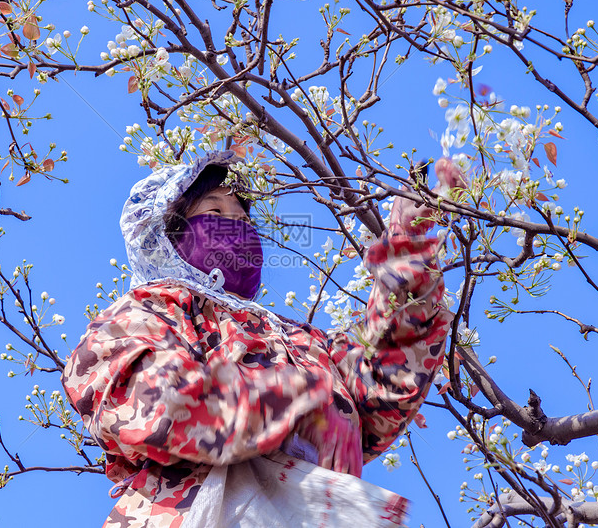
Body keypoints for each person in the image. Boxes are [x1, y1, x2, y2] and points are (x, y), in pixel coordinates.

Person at [62, 151, 459, 527]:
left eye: (244, 217)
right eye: (214, 211)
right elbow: (148, 399)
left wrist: (408, 245)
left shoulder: (298, 340)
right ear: (167, 235)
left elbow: (380, 389)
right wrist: (290, 399)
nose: (235, 226)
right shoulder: (148, 312)